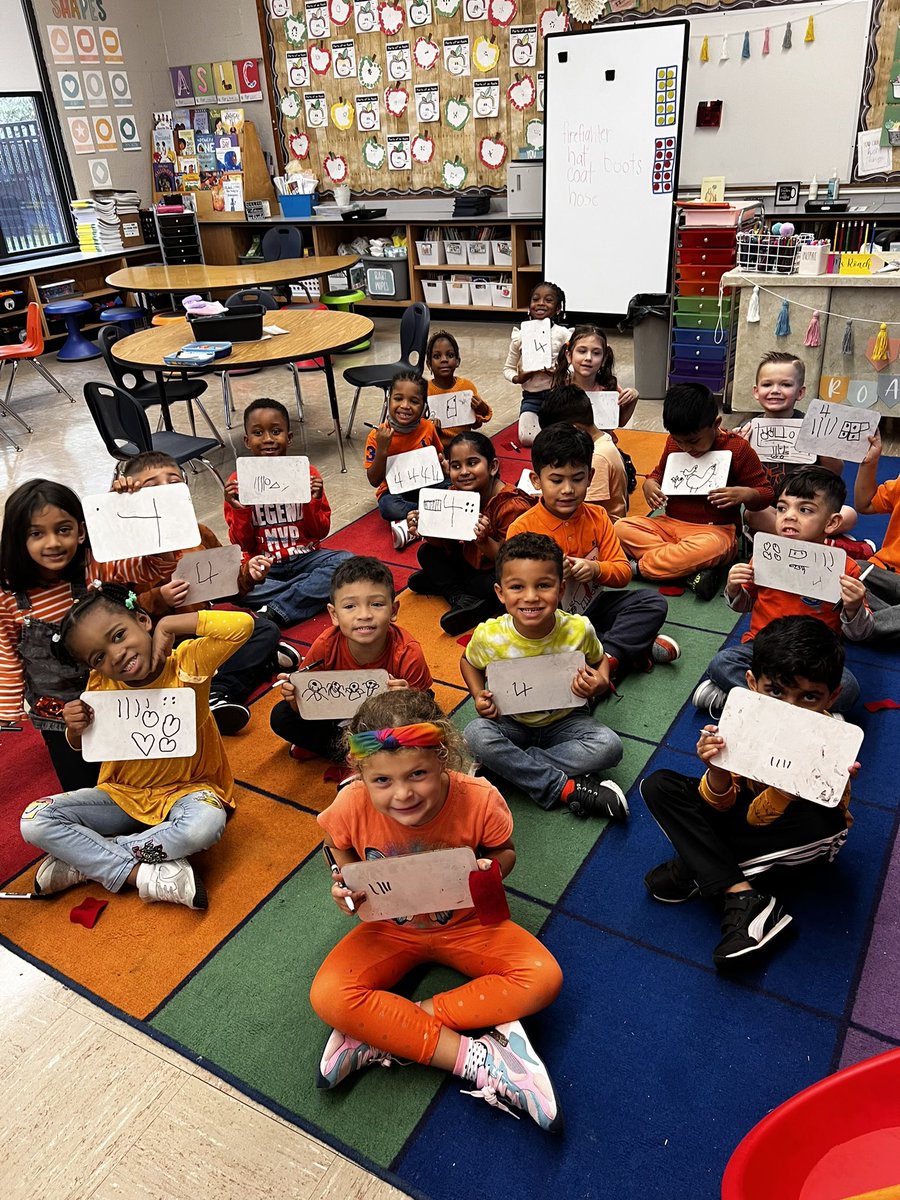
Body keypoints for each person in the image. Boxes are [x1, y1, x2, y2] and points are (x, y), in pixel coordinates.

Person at [309, 688, 564, 1132]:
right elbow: (337, 846)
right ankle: (480, 1059)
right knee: (328, 996)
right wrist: (345, 882)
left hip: (467, 925)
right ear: (360, 773)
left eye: (418, 774)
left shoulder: (479, 798)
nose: (403, 794)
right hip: (391, 928)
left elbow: (504, 851)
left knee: (543, 980)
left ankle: (385, 1031)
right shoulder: (350, 803)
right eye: (382, 781)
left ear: (443, 757)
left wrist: (491, 870)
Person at [20, 583, 254, 909]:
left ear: (143, 621)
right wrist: (75, 729)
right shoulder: (101, 683)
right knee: (34, 819)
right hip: (122, 794)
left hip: (189, 790)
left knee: (204, 827)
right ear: (93, 667)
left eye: (118, 636)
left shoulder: (187, 664)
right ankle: (139, 873)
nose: (116, 655)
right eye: (99, 656)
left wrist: (169, 624)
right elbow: (84, 744)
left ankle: (85, 862)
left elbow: (242, 626)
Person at [641, 616, 857, 969]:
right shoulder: (745, 720)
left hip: (806, 835)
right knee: (658, 785)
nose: (789, 707)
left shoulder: (832, 742)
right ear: (753, 683)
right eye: (776, 691)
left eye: (809, 697)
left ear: (832, 696)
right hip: (750, 824)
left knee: (822, 820)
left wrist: (794, 784)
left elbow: (762, 817)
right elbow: (720, 803)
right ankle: (742, 893)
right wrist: (719, 772)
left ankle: (703, 869)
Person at [0, 479, 175, 792]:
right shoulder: (8, 596)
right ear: (17, 538)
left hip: (121, 692)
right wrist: (7, 710)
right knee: (85, 791)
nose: (53, 543)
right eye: (36, 533)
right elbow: (7, 653)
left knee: (153, 777)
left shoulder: (95, 565)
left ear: (80, 531)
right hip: (60, 715)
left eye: (63, 529)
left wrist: (132, 507)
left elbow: (156, 566)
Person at [113, 450, 299, 735]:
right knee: (151, 670)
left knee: (264, 629)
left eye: (174, 481)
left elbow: (227, 586)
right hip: (159, 643)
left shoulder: (198, 533)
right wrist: (158, 599)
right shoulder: (124, 548)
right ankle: (244, 674)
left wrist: (247, 575)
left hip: (202, 628)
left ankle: (217, 689)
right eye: (152, 486)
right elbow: (116, 613)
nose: (166, 489)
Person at [461, 532, 627, 817]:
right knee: (475, 733)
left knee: (610, 746)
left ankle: (511, 768)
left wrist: (600, 682)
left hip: (567, 721)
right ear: (500, 593)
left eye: (543, 585)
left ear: (561, 588)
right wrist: (478, 694)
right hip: (511, 721)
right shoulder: (489, 635)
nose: (531, 597)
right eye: (517, 587)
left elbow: (600, 661)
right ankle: (557, 786)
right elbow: (468, 662)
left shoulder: (578, 628)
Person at [693, 467, 872, 717]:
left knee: (849, 688)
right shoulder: (766, 555)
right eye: (782, 508)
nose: (789, 516)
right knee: (722, 662)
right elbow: (744, 604)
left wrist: (853, 607)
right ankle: (809, 712)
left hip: (815, 658)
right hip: (762, 647)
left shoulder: (844, 568)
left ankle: (743, 699)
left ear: (831, 523)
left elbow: (861, 632)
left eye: (805, 510)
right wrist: (734, 588)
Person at [507, 424, 677, 681]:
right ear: (536, 481)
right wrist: (551, 577)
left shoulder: (597, 516)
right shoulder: (522, 528)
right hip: (551, 622)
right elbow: (517, 594)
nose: (567, 489)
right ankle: (626, 651)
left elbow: (621, 572)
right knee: (525, 644)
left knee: (652, 603)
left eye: (577, 479)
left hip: (594, 607)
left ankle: (607, 658)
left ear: (590, 476)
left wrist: (595, 569)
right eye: (556, 480)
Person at [615, 384, 774, 599]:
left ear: (716, 424)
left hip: (714, 531)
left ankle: (636, 568)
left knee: (713, 547)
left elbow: (765, 493)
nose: (686, 448)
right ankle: (688, 573)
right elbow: (657, 474)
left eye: (693, 441)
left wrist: (744, 494)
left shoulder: (738, 449)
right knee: (621, 527)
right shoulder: (674, 443)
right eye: (679, 441)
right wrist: (649, 485)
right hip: (669, 526)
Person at [270, 555, 432, 762]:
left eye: (376, 604)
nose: (364, 614)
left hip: (388, 720)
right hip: (339, 717)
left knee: (427, 727)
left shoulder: (408, 653)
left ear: (394, 610)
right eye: (349, 607)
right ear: (334, 614)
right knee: (282, 716)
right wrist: (295, 698)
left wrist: (407, 701)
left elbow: (424, 715)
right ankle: (357, 753)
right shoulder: (325, 645)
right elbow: (308, 704)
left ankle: (349, 753)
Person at [225, 398, 351, 628]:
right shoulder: (238, 482)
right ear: (247, 440)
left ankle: (275, 610)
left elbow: (320, 532)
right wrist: (239, 510)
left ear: (289, 437)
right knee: (234, 586)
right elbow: (241, 543)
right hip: (264, 567)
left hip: (306, 557)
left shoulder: (306, 473)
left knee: (347, 563)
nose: (268, 439)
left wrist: (312, 500)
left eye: (276, 431)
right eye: (258, 433)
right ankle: (306, 591)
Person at [407, 431, 534, 635]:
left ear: (492, 467)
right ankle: (459, 596)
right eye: (456, 466)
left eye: (472, 463)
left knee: (485, 583)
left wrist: (484, 541)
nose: (464, 472)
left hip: (501, 569)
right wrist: (425, 528)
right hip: (472, 561)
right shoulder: (455, 494)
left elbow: (513, 561)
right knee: (426, 553)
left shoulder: (511, 505)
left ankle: (460, 593)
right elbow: (445, 545)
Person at [735, 351, 861, 549]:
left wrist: (823, 446)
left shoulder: (811, 425)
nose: (775, 390)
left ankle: (792, 540)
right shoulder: (747, 428)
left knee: (849, 514)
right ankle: (815, 542)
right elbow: (735, 476)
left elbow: (835, 472)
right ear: (756, 391)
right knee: (752, 514)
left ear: (800, 392)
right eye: (767, 384)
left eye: (785, 385)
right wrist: (738, 450)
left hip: (808, 505)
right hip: (772, 508)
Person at [364, 370, 446, 550]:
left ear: (424, 405)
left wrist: (443, 463)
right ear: (388, 400)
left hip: (426, 486)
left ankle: (411, 523)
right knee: (387, 507)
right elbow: (373, 480)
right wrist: (383, 449)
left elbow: (440, 457)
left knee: (453, 486)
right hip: (395, 493)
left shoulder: (427, 427)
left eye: (414, 401)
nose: (405, 406)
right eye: (398, 398)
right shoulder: (376, 436)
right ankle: (434, 514)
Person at [537, 385, 629, 521]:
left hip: (602, 531)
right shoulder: (602, 442)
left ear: (574, 429)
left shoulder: (597, 457)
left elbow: (586, 513)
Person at [503, 280, 571, 447]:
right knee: (527, 438)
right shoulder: (520, 336)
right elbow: (508, 368)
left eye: (548, 300)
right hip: (531, 397)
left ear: (558, 308)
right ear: (529, 305)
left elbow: (574, 367)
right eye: (535, 299)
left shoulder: (563, 334)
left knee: (567, 433)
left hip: (559, 396)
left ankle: (552, 430)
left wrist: (559, 372)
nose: (541, 303)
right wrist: (518, 378)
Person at [853, 429, 900, 640]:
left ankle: (865, 621)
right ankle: (883, 620)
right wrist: (869, 463)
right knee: (849, 571)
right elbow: (865, 503)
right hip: (888, 572)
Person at [549, 323, 639, 432]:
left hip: (602, 444)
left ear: (604, 359)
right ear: (569, 356)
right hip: (571, 445)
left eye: (596, 353)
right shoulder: (561, 385)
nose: (588, 358)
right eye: (582, 351)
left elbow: (619, 421)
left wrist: (633, 396)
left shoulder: (608, 386)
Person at [425, 329, 493, 451]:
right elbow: (418, 427)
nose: (444, 360)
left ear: (457, 361)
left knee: (485, 446)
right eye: (437, 356)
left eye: (450, 355)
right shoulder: (424, 391)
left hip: (463, 444)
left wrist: (481, 408)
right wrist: (429, 427)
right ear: (429, 364)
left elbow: (475, 423)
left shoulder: (466, 387)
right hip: (436, 447)